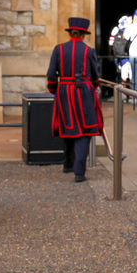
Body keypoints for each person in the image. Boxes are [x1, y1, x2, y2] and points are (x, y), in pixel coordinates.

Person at [46, 17, 104, 183]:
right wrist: (95, 86)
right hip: (84, 92)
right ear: (84, 34)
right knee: (84, 130)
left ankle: (68, 164)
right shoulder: (89, 51)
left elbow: (51, 75)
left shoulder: (59, 49)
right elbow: (94, 76)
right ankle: (79, 171)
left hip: (64, 91)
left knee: (69, 125)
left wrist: (54, 89)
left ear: (70, 32)